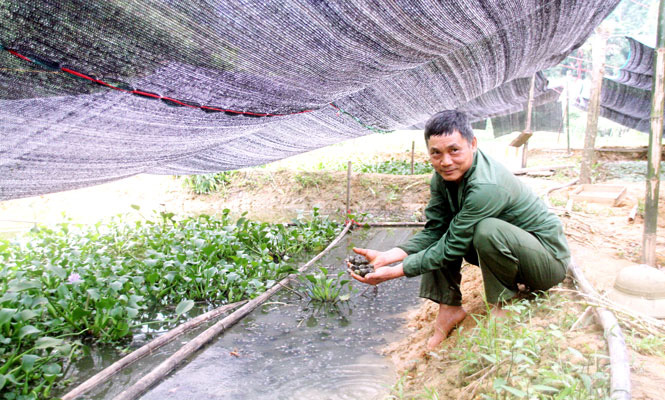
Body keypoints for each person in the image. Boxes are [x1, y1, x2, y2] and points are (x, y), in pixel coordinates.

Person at [349, 110, 570, 349]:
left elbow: (452, 246)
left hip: (547, 264)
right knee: (448, 234)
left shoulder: (486, 186)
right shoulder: (442, 178)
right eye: (436, 153)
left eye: (454, 150)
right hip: (511, 256)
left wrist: (392, 273)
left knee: (485, 230)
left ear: (473, 144)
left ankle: (504, 302)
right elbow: (436, 230)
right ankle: (449, 307)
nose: (445, 161)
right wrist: (388, 256)